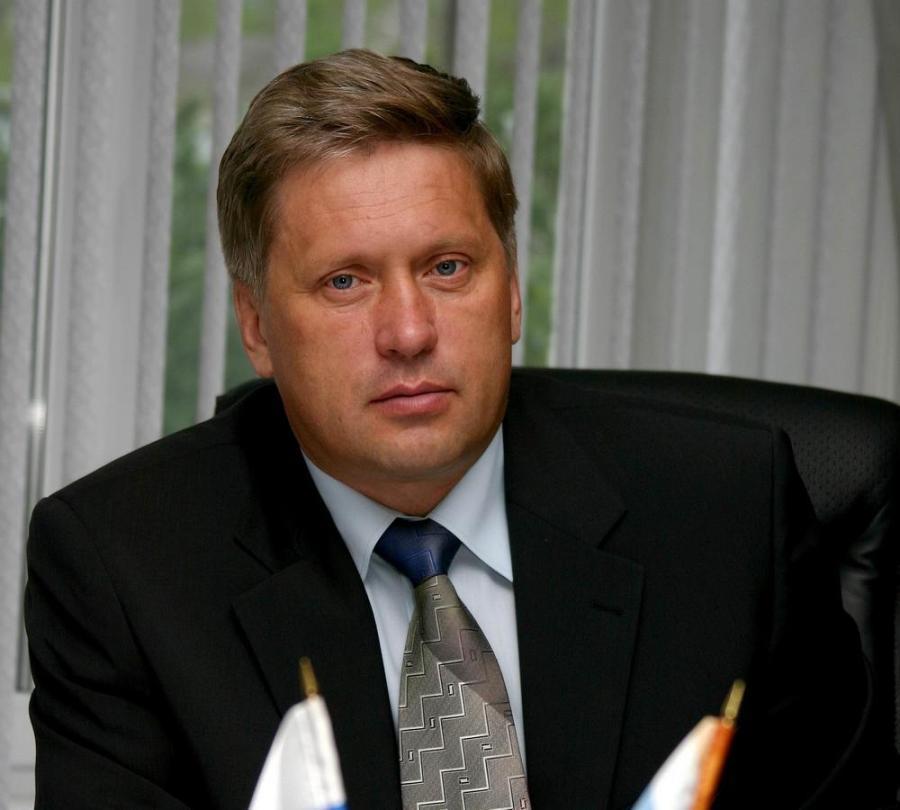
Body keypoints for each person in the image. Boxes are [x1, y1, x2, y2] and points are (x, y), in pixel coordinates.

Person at [25, 49, 876, 810]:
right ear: (256, 326)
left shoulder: (724, 512)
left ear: (512, 292)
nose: (408, 332)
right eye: (345, 282)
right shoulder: (125, 567)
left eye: (447, 267)